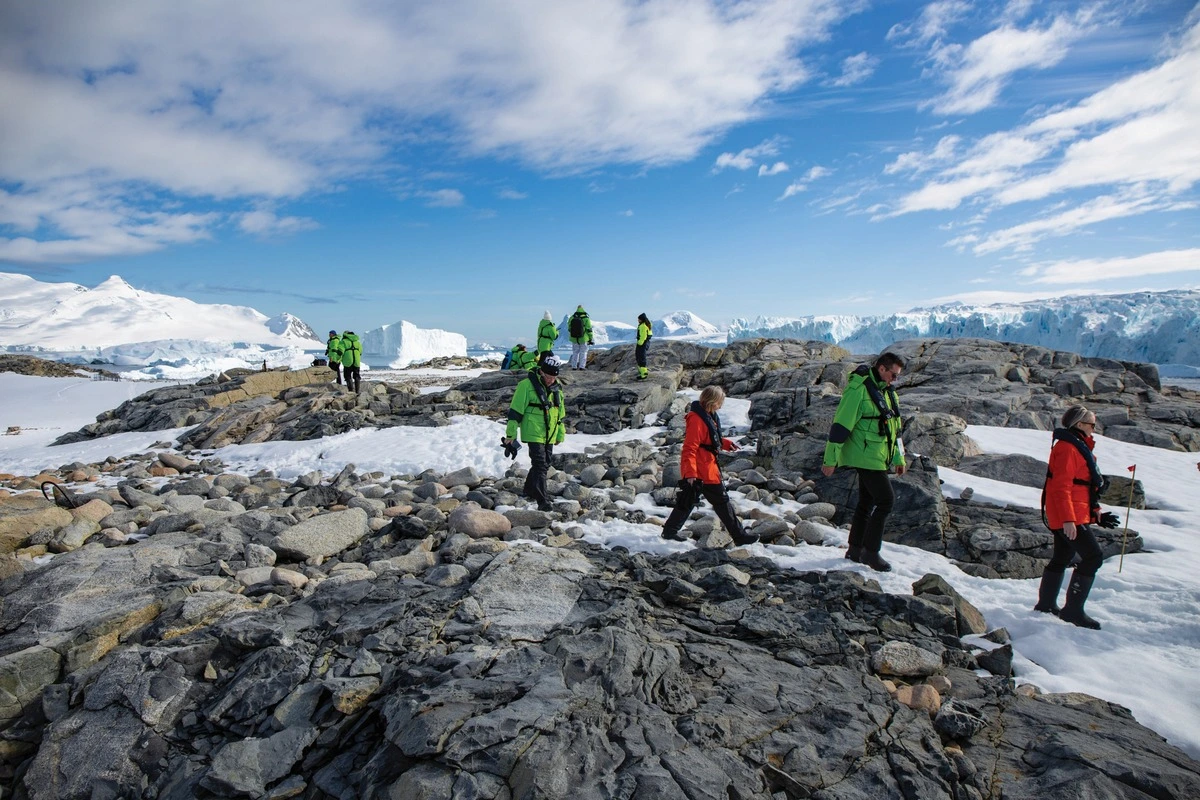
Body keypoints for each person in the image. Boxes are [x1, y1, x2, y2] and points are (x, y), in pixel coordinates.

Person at [1035, 405, 1121, 629]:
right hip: (1066, 515)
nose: (1095, 428)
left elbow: (1082, 488)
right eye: (1092, 424)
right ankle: (1072, 611)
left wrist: (1096, 513)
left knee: (1063, 556)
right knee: (1093, 557)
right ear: (1080, 425)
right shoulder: (1067, 448)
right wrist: (1068, 520)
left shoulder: (1077, 446)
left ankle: (1045, 605)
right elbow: (1061, 486)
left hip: (1070, 513)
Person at [821, 352, 907, 572]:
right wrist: (830, 460)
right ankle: (871, 552)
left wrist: (899, 457)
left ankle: (855, 549)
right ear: (881, 369)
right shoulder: (858, 390)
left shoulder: (888, 392)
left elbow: (895, 428)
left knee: (866, 502)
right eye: (893, 375)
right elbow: (841, 425)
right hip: (865, 455)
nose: (895, 380)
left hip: (878, 455)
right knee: (886, 500)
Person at [661, 386, 757, 546]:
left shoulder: (708, 415)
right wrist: (690, 473)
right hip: (701, 470)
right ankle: (740, 537)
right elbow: (690, 448)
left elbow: (708, 439)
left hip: (705, 467)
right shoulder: (697, 419)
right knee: (720, 502)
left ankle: (669, 532)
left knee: (688, 500)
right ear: (712, 402)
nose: (721, 405)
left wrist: (725, 443)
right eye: (720, 402)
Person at [503, 353, 567, 511]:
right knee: (540, 463)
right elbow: (515, 413)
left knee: (545, 464)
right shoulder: (525, 386)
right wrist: (511, 436)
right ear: (541, 371)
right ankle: (542, 500)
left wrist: (560, 434)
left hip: (550, 433)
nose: (551, 379)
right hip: (533, 430)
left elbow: (560, 414)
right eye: (548, 375)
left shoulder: (557, 388)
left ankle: (529, 489)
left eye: (554, 376)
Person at [567, 305, 594, 370]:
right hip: (583, 338)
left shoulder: (572, 317)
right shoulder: (586, 318)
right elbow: (589, 330)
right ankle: (582, 366)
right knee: (583, 352)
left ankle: (574, 366)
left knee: (575, 352)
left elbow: (569, 328)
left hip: (574, 338)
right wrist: (590, 338)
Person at [635, 313, 652, 380]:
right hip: (644, 343)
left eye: (638, 319)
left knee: (641, 358)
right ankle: (641, 372)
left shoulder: (643, 326)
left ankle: (644, 374)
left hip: (642, 343)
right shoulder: (646, 325)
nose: (638, 320)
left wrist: (639, 343)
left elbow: (643, 336)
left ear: (641, 319)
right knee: (639, 357)